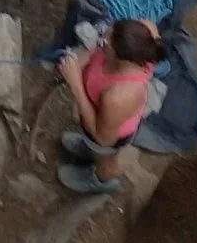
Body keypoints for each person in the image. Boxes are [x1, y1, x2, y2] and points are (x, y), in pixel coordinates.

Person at [55, 18, 164, 195]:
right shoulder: (145, 36)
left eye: (105, 42)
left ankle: (101, 180)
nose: (101, 40)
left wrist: (76, 85)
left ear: (120, 57)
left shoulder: (119, 97)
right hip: (103, 113)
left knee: (104, 157)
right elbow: (96, 49)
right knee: (92, 145)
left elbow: (102, 137)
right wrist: (82, 60)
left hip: (106, 132)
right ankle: (88, 150)